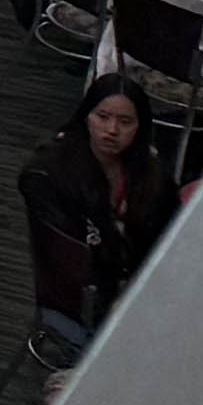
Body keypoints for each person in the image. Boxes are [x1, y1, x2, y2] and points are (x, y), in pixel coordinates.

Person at [24, 74, 174, 312]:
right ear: (86, 118)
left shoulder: (152, 173)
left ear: (140, 127)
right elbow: (70, 258)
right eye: (103, 117)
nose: (112, 130)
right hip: (83, 296)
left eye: (125, 122)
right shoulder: (49, 173)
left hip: (142, 288)